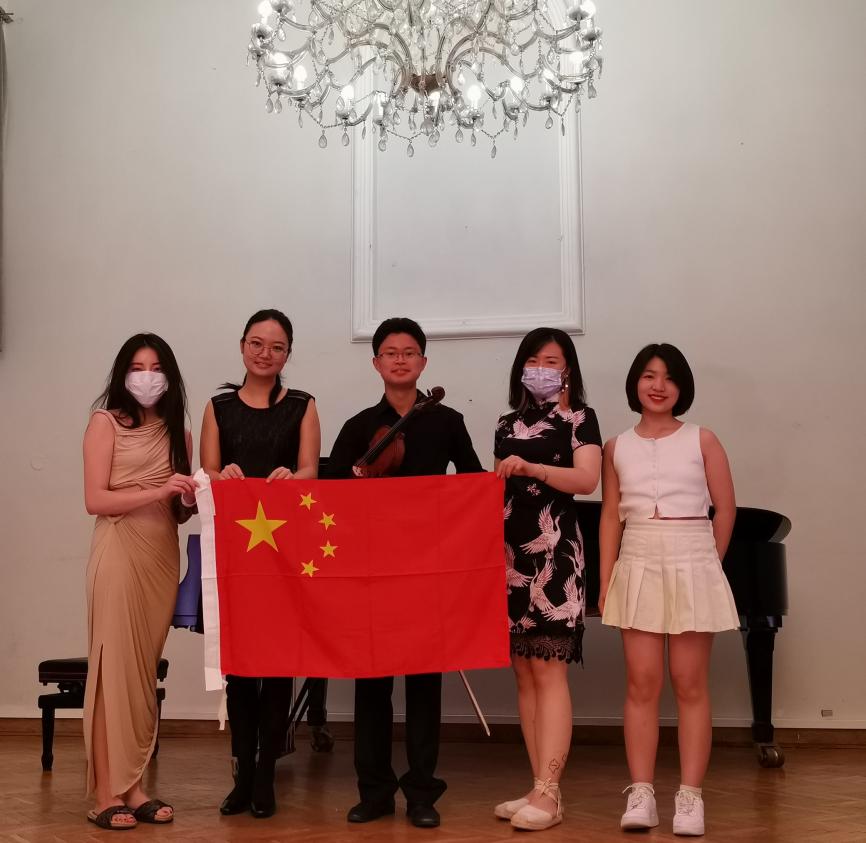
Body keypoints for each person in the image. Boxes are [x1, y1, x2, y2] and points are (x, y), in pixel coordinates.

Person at [327, 317, 483, 829]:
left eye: (409, 352)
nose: (400, 359)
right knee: (371, 684)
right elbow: (333, 503)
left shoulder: (447, 421)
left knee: (423, 684)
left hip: (427, 573)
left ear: (422, 362)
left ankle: (421, 792)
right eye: (390, 352)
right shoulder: (356, 427)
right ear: (376, 363)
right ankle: (372, 791)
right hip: (373, 573)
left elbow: (473, 486)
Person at [599, 343, 739, 837]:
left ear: (682, 387)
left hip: (692, 557)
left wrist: (708, 565)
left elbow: (725, 509)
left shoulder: (704, 439)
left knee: (690, 682)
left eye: (669, 378)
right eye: (649, 376)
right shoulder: (615, 447)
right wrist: (607, 577)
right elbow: (610, 517)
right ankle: (641, 794)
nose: (658, 386)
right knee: (641, 683)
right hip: (638, 560)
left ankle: (690, 797)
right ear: (635, 383)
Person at [200, 308, 323, 819]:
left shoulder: (302, 406)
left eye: (276, 346)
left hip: (284, 556)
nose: (265, 353)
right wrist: (221, 474)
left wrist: (291, 480)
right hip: (233, 555)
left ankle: (268, 773)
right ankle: (241, 772)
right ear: (243, 347)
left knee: (276, 667)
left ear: (288, 353)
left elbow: (312, 473)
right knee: (239, 669)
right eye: (257, 343)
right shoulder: (217, 407)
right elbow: (204, 473)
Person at [83, 334, 196, 830]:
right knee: (114, 670)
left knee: (143, 672)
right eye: (136, 366)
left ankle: (134, 786)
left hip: (160, 558)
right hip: (117, 552)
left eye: (155, 367)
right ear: (122, 374)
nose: (146, 375)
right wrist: (156, 489)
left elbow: (176, 510)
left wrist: (188, 500)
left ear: (168, 376)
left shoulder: (178, 434)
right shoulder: (104, 423)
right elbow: (96, 500)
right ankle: (105, 792)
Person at [492, 327, 602, 832]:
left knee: (549, 671)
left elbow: (586, 480)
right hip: (509, 557)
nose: (542, 367)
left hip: (556, 557)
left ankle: (551, 793)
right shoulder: (506, 422)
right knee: (524, 673)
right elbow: (495, 487)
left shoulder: (581, 418)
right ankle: (538, 785)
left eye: (552, 360)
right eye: (534, 359)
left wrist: (533, 467)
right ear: (521, 368)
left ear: (568, 370)